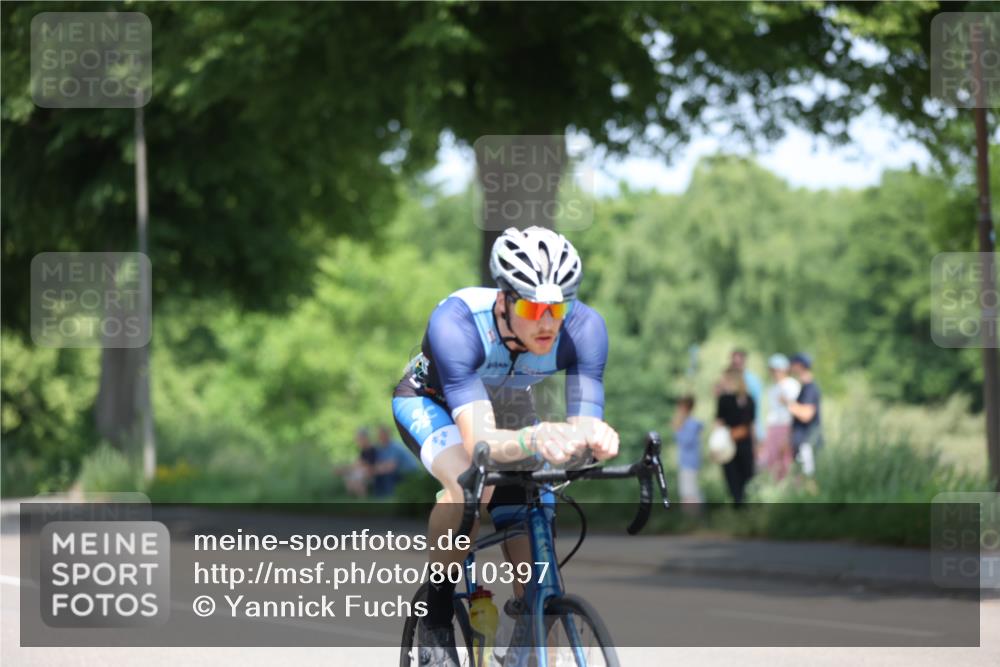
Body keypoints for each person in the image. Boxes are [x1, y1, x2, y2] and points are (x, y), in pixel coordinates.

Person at [391, 226, 619, 666]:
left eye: (558, 307)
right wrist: (537, 438)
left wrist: (596, 438)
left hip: (512, 410)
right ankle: (435, 613)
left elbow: (584, 423)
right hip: (433, 403)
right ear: (503, 300)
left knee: (539, 530)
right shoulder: (457, 322)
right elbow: (480, 445)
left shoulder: (585, 329)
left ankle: (528, 632)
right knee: (470, 486)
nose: (548, 322)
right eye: (533, 307)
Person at [715, 367, 756, 505]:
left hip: (742, 444)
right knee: (733, 481)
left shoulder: (748, 399)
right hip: (729, 445)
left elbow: (749, 426)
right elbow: (719, 423)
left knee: (746, 479)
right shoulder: (724, 399)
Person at [761, 354, 800, 481]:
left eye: (777, 370)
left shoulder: (792, 385)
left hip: (787, 426)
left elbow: (796, 409)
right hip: (774, 427)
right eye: (773, 370)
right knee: (773, 463)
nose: (775, 373)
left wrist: (787, 402)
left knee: (787, 461)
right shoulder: (772, 388)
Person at [787, 352, 822, 477]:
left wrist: (789, 405)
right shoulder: (805, 388)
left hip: (807, 440)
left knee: (808, 477)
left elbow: (807, 414)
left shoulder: (810, 389)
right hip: (802, 440)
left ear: (800, 366)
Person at [370, 425, 420, 497]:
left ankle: (391, 496)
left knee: (387, 476)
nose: (380, 437)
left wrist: (376, 469)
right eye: (379, 435)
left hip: (409, 473)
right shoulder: (381, 448)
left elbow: (391, 467)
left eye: (382, 435)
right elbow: (379, 464)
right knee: (380, 476)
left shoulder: (395, 446)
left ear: (387, 434)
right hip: (398, 473)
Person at [671, 395, 703, 505]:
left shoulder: (691, 424)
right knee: (688, 494)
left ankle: (694, 520)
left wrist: (677, 429)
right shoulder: (689, 424)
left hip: (689, 464)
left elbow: (685, 442)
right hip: (686, 463)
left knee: (689, 496)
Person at [333, 428, 378, 498]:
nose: (358, 441)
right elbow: (357, 464)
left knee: (357, 480)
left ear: (365, 438)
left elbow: (370, 466)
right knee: (349, 480)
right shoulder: (363, 451)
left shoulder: (373, 449)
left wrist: (349, 469)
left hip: (372, 474)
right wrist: (344, 470)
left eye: (359, 439)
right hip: (364, 473)